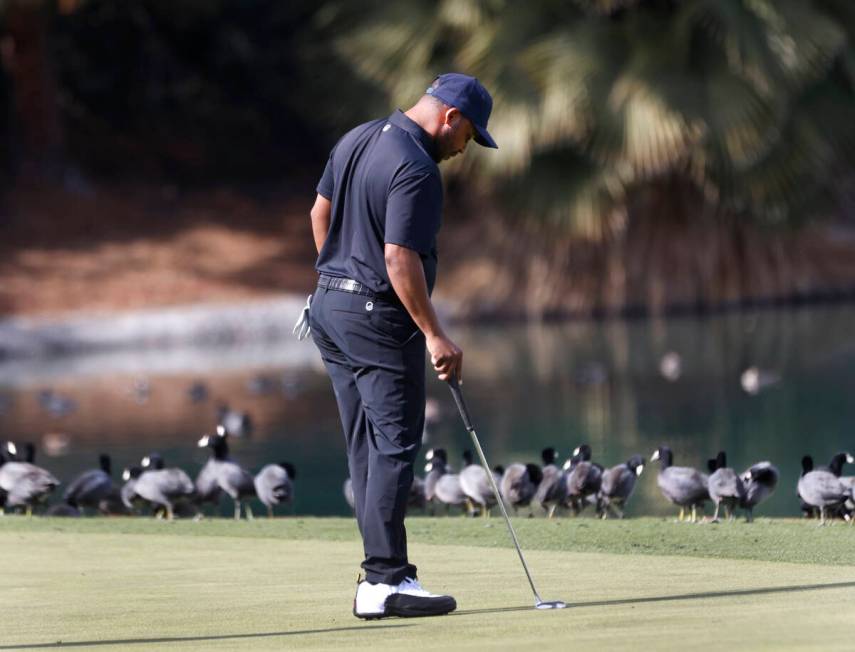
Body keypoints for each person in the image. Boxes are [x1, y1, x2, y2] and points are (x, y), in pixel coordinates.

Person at [303, 73, 497, 619]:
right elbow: (398, 258)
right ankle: (385, 581)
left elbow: (320, 213)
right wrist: (436, 333)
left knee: (367, 445)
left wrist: (337, 278)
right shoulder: (416, 167)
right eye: (469, 137)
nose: (464, 150)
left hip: (329, 309)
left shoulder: (358, 137)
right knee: (393, 445)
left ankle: (380, 575)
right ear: (450, 118)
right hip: (377, 320)